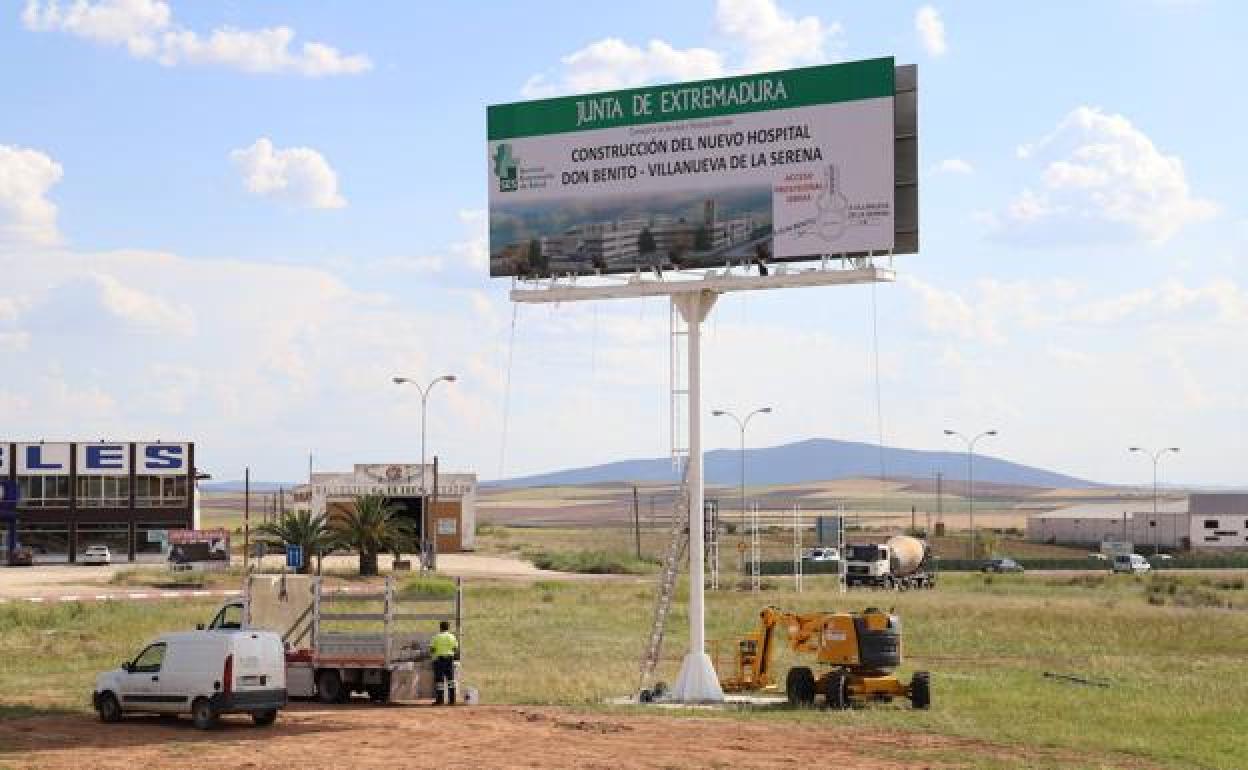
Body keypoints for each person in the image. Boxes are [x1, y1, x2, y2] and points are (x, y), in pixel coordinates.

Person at [429, 620, 459, 706]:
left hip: (439, 660)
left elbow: (432, 649)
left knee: (439, 681)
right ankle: (452, 700)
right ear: (448, 628)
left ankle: (440, 700)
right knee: (451, 680)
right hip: (449, 659)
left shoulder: (436, 637)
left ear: (440, 628)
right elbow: (455, 648)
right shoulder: (452, 637)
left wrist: (435, 653)